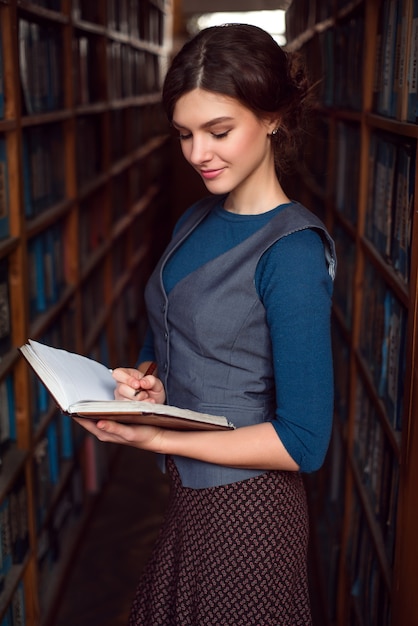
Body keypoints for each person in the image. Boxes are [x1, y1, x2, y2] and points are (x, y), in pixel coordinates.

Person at [75, 23, 336, 626]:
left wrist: (157, 437)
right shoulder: (195, 217)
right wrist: (147, 382)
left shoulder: (292, 252)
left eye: (219, 132)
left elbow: (304, 442)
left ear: (272, 117)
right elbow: (170, 327)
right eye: (185, 134)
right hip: (189, 498)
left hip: (250, 515)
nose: (197, 154)